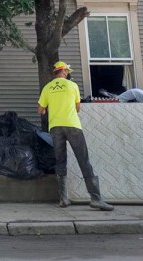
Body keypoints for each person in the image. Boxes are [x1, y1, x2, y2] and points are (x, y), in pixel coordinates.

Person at [37, 61, 114, 211]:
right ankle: (96, 198)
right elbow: (78, 107)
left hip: (55, 127)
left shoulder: (47, 88)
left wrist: (48, 110)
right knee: (83, 159)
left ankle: (63, 199)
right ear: (64, 71)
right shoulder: (72, 86)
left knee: (60, 161)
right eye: (67, 71)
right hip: (72, 125)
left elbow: (40, 110)